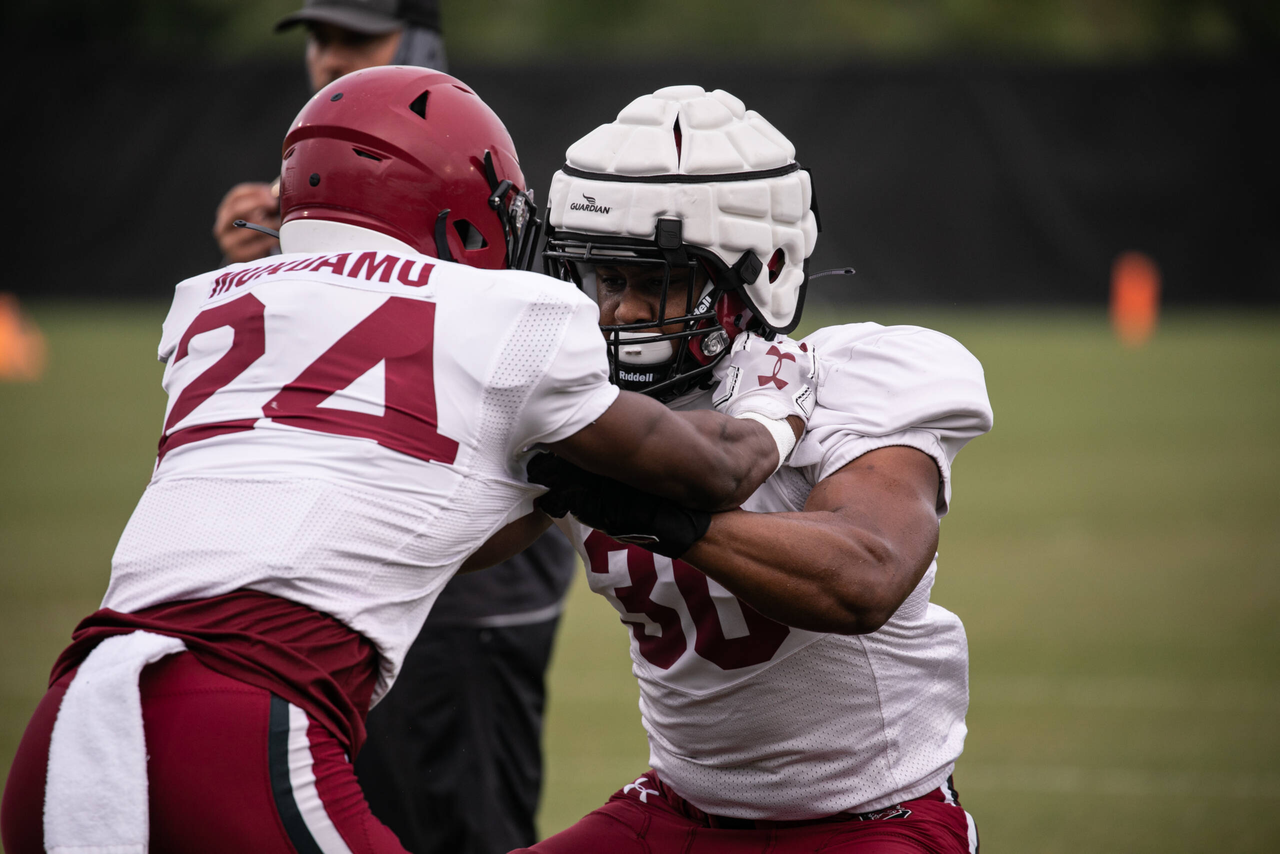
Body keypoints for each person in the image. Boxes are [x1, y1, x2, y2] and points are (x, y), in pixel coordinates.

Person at [0, 68, 817, 854]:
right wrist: (782, 396)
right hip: (244, 717)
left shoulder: (210, 302)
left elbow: (407, 494)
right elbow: (715, 470)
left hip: (74, 716)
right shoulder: (507, 313)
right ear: (463, 214)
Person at [521, 85, 994, 854]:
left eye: (657, 282)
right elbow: (466, 546)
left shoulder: (851, 378)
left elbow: (866, 576)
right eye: (608, 279)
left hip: (869, 818)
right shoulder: (585, 404)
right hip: (679, 805)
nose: (622, 313)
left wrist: (671, 520)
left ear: (756, 272)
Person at [213, 4, 569, 851]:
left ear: (421, 39)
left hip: (470, 585)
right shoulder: (323, 174)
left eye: (355, 37)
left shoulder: (474, 159)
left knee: (460, 830)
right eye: (318, 38)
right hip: (349, 575)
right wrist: (269, 273)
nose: (328, 57)